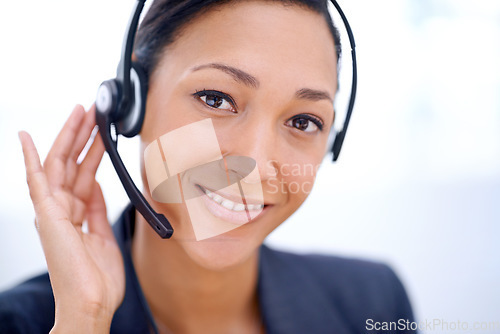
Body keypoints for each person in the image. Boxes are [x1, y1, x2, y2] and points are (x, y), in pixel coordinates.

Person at [0, 0, 415, 333]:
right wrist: (84, 322)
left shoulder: (373, 304)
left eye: (303, 121)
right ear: (132, 101)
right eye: (216, 98)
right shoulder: (18, 323)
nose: (254, 164)